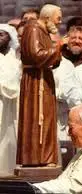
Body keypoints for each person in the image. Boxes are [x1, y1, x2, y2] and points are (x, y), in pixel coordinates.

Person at [16, 4, 62, 167]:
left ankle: (45, 157)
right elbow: (36, 56)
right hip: (36, 81)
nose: (60, 21)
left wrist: (56, 52)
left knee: (47, 118)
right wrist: (58, 47)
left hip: (43, 78)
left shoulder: (44, 31)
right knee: (36, 119)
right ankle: (36, 157)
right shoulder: (33, 29)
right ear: (48, 17)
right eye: (58, 18)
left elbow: (51, 59)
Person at [0, 24, 21, 175]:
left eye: (2, 34)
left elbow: (14, 86)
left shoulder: (16, 62)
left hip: (10, 107)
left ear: (10, 38)